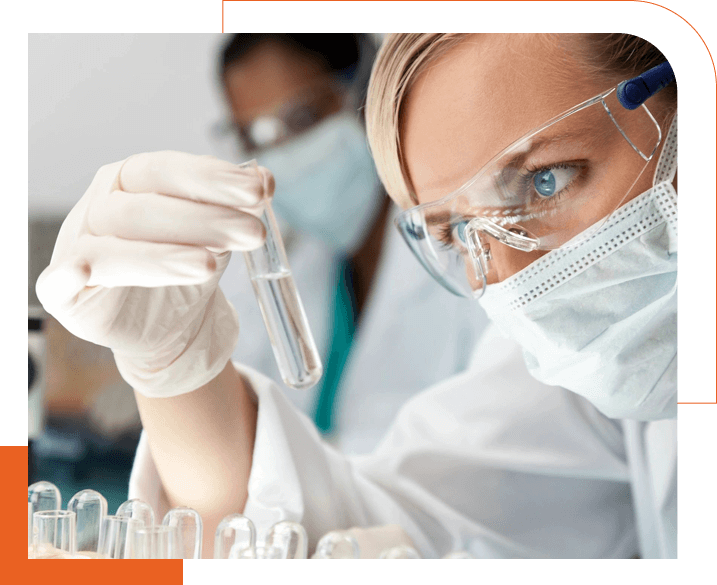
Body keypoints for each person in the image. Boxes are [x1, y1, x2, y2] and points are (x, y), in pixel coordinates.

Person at [36, 33, 677, 559]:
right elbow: (397, 521)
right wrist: (177, 371)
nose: (509, 282)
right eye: (456, 231)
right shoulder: (603, 376)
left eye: (545, 182)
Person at [215, 34, 487, 455]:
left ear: (367, 95)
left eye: (302, 119)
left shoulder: (469, 250)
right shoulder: (298, 264)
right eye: (254, 137)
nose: (282, 155)